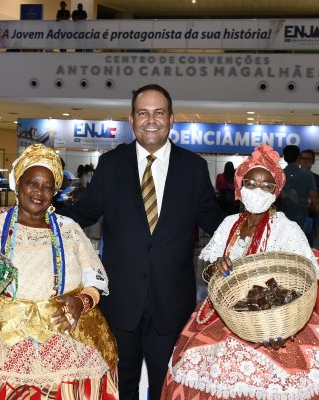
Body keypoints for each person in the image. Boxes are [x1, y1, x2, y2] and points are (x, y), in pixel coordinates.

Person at [59, 84, 223, 400]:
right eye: (143, 113)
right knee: (123, 386)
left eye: (159, 113)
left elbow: (213, 222)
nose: (151, 120)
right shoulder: (111, 164)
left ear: (172, 119)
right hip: (121, 302)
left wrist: (250, 231)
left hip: (171, 303)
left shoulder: (193, 168)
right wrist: (40, 216)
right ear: (131, 120)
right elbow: (85, 212)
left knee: (166, 387)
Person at [161, 144, 319, 399]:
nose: (258, 191)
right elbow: (209, 270)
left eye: (267, 186)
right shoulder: (228, 224)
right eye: (251, 183)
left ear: (276, 191)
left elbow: (304, 281)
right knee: (198, 358)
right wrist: (216, 267)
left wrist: (281, 323)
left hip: (278, 317)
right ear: (240, 186)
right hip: (225, 311)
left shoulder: (286, 229)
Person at [0, 144, 118, 399]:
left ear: (55, 192)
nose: (39, 192)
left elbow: (97, 278)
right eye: (32, 183)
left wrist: (82, 301)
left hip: (61, 335)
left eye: (47, 186)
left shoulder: (69, 229)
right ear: (18, 184)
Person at [278, 145, 319, 246]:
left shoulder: (279, 174)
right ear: (298, 158)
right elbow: (315, 201)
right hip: (302, 220)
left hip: (282, 221)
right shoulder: (307, 175)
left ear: (284, 157)